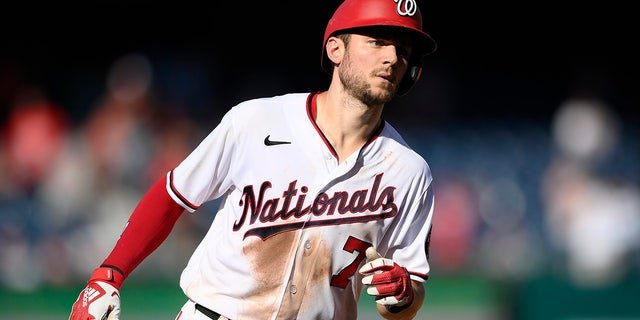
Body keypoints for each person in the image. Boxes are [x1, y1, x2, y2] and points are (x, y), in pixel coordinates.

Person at [68, 0, 438, 319]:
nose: (392, 57)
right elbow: (173, 195)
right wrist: (109, 274)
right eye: (377, 42)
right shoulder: (257, 121)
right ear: (335, 50)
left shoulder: (407, 170)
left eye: (403, 51)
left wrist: (403, 295)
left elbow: (404, 303)